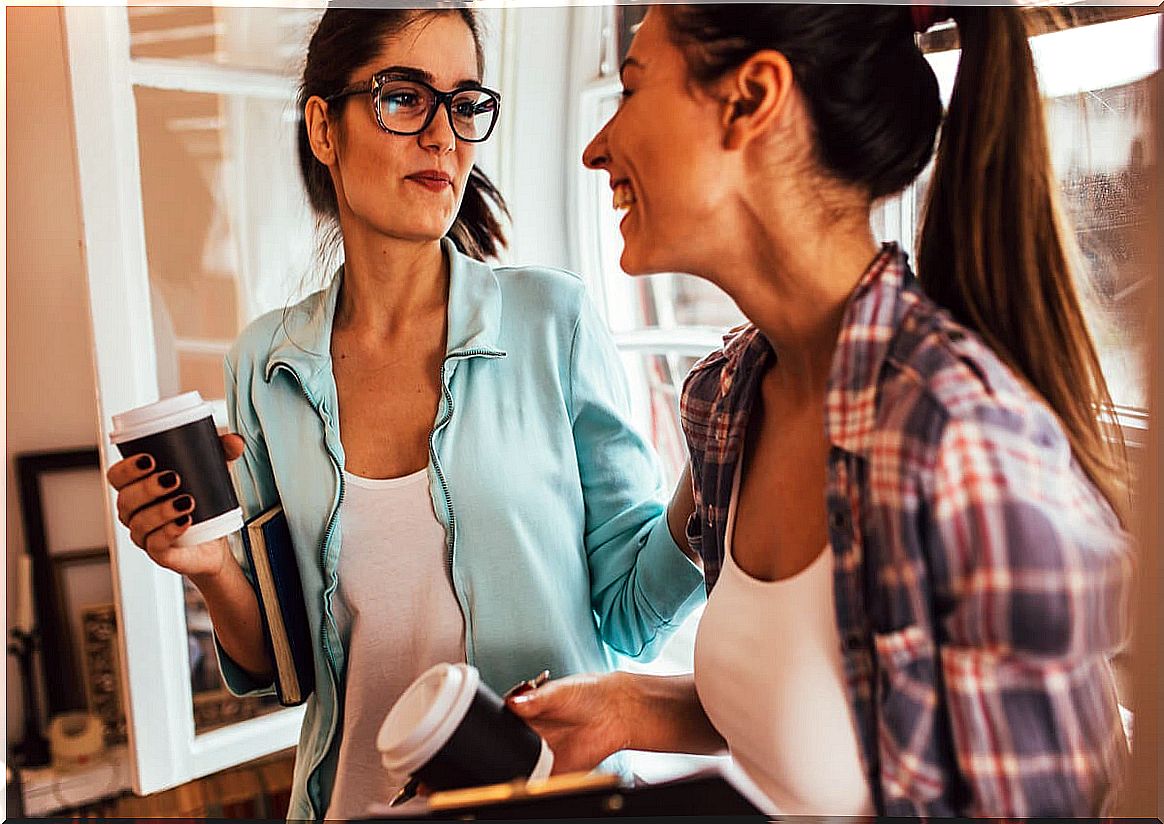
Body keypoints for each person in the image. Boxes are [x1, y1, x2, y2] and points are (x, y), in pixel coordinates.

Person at [506, 4, 1135, 817]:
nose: (597, 147)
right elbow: (828, 718)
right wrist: (628, 707)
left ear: (750, 98)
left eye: (632, 89)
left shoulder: (958, 448)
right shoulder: (727, 401)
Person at [105, 7, 704, 819]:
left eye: (463, 104)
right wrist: (208, 565)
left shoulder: (549, 321)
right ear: (324, 125)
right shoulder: (266, 365)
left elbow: (631, 614)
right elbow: (286, 668)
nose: (443, 137)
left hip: (553, 802)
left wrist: (714, 468)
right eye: (404, 98)